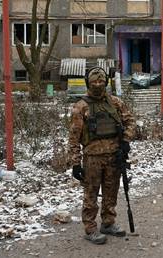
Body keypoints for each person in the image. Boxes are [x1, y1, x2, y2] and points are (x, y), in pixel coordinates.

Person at [68, 67, 136, 244]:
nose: (98, 85)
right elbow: (74, 138)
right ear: (88, 83)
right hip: (92, 158)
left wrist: (126, 142)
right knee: (91, 194)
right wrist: (76, 164)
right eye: (94, 82)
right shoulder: (81, 107)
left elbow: (130, 121)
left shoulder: (115, 103)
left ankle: (108, 222)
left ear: (106, 83)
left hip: (114, 156)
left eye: (101, 81)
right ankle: (90, 228)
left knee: (110, 191)